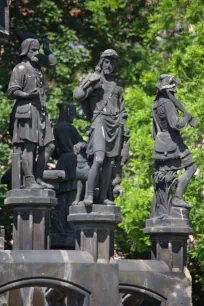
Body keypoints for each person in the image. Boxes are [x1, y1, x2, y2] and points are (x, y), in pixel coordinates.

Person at [73, 49, 127, 205]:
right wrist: (89, 82)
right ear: (102, 62)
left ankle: (103, 196)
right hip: (99, 121)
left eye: (113, 62)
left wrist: (122, 123)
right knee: (99, 158)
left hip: (115, 126)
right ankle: (89, 195)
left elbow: (122, 110)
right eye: (107, 61)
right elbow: (77, 95)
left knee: (109, 163)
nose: (110, 65)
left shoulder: (117, 87)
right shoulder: (95, 81)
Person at [7, 38, 57, 189]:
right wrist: (27, 94)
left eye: (38, 50)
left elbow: (52, 63)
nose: (36, 53)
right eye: (33, 50)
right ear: (25, 51)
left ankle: (39, 176)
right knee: (29, 147)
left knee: (50, 145)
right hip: (26, 111)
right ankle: (30, 180)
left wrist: (47, 49)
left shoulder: (38, 68)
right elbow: (11, 91)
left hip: (41, 112)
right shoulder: (21, 68)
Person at [152, 74, 197, 209]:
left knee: (166, 176)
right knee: (191, 168)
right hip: (173, 144)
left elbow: (154, 130)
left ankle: (164, 204)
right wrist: (187, 118)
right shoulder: (168, 103)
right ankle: (177, 198)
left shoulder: (156, 104)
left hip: (161, 143)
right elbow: (175, 124)